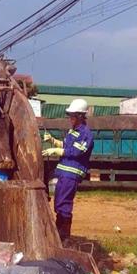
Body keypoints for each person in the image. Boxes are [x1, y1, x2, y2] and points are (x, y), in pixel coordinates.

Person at [42, 99, 94, 241]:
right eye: (69, 115)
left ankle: (64, 236)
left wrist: (56, 151)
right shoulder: (73, 132)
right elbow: (65, 145)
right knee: (59, 203)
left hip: (71, 174)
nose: (70, 119)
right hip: (64, 173)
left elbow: (75, 152)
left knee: (63, 204)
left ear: (80, 116)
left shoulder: (85, 134)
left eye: (72, 116)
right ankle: (59, 234)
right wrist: (53, 141)